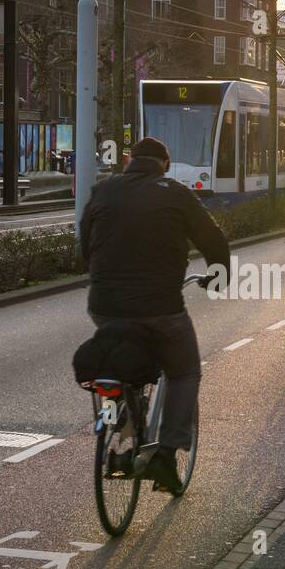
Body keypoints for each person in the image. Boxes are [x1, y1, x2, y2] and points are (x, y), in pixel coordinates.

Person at [79, 136, 230, 493]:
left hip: (103, 304)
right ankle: (165, 454)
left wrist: (101, 274)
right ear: (165, 163)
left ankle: (124, 409)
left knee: (123, 348)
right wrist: (218, 277)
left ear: (130, 160)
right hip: (161, 306)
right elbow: (213, 239)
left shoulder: (104, 190)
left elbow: (85, 244)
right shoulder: (175, 193)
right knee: (185, 371)